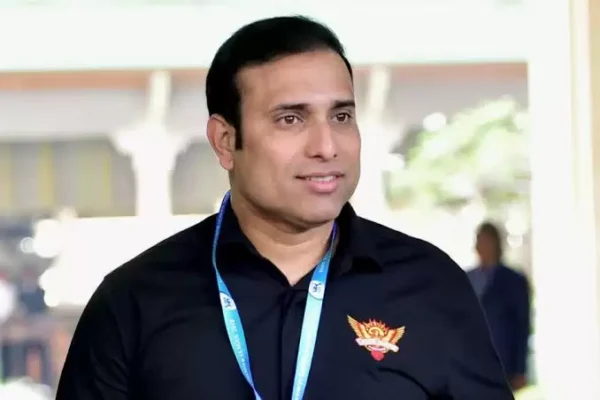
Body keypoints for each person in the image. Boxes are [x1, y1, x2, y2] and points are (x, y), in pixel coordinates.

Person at [56, 16, 513, 399]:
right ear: (225, 141)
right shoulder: (134, 302)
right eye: (291, 119)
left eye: (341, 116)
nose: (326, 146)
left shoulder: (430, 286)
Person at [467, 222, 531, 392]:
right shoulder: (466, 278)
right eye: (480, 241)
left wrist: (520, 369)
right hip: (471, 362)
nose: (483, 246)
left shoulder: (513, 280)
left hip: (502, 362)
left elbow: (522, 325)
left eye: (487, 241)